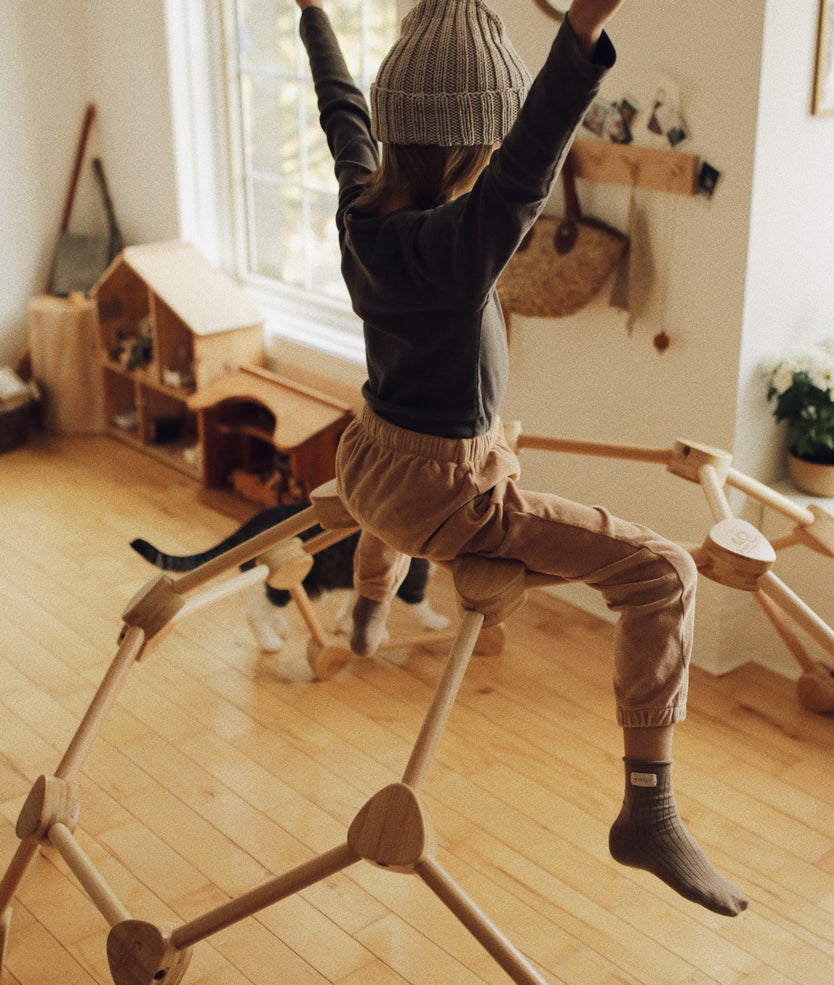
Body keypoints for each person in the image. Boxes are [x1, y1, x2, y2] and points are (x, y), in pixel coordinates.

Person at [294, 0, 748, 918]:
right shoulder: (464, 248)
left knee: (455, 465)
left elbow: (339, 110)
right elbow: (534, 152)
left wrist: (312, 16)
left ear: (396, 134)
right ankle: (647, 809)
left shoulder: (359, 211)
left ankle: (369, 614)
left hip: (368, 456)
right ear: (472, 152)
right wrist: (580, 30)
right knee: (661, 573)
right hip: (446, 496)